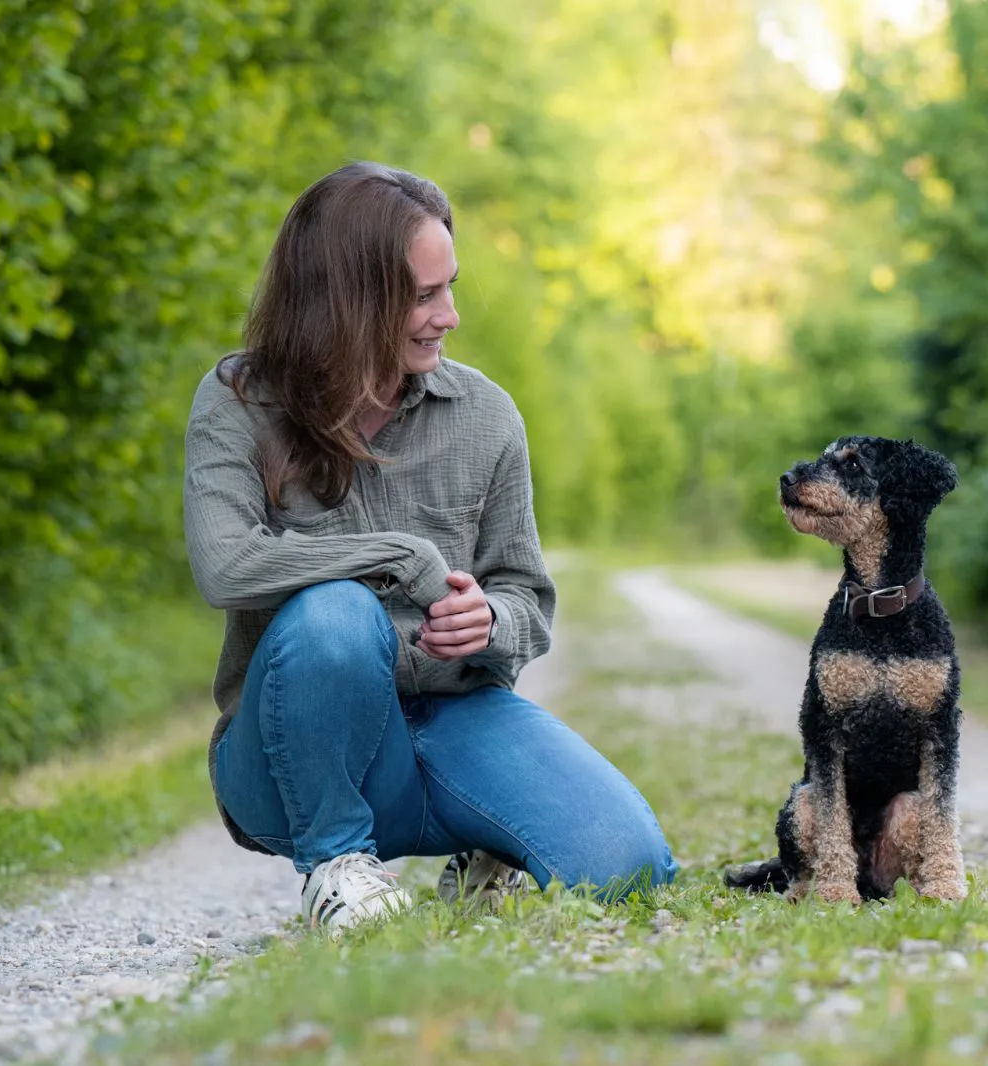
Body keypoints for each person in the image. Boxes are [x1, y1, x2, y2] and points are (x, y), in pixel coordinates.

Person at [183, 161, 677, 932]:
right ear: (347, 300)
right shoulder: (239, 400)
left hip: (455, 720)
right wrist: (399, 556)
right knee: (336, 613)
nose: (449, 315)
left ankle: (484, 844)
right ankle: (338, 865)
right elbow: (226, 566)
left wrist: (490, 621)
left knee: (627, 866)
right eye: (422, 296)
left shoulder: (486, 414)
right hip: (291, 755)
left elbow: (526, 596)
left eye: (450, 287)